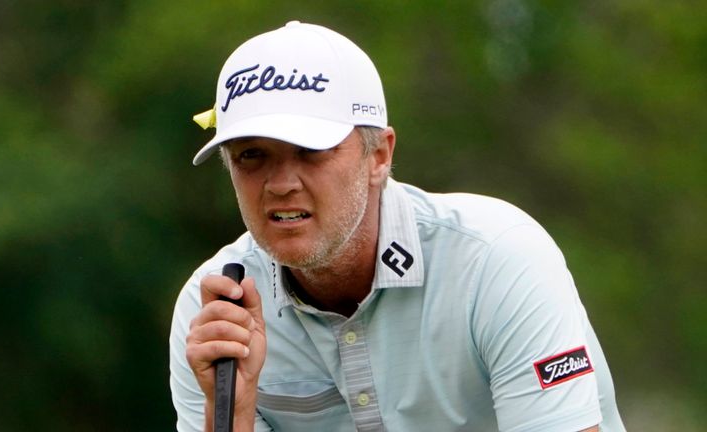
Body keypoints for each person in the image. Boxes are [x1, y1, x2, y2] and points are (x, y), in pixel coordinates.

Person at [169, 20, 626, 432]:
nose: (281, 184)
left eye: (311, 150)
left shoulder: (495, 258)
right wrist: (233, 412)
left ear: (379, 156)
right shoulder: (211, 309)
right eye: (252, 155)